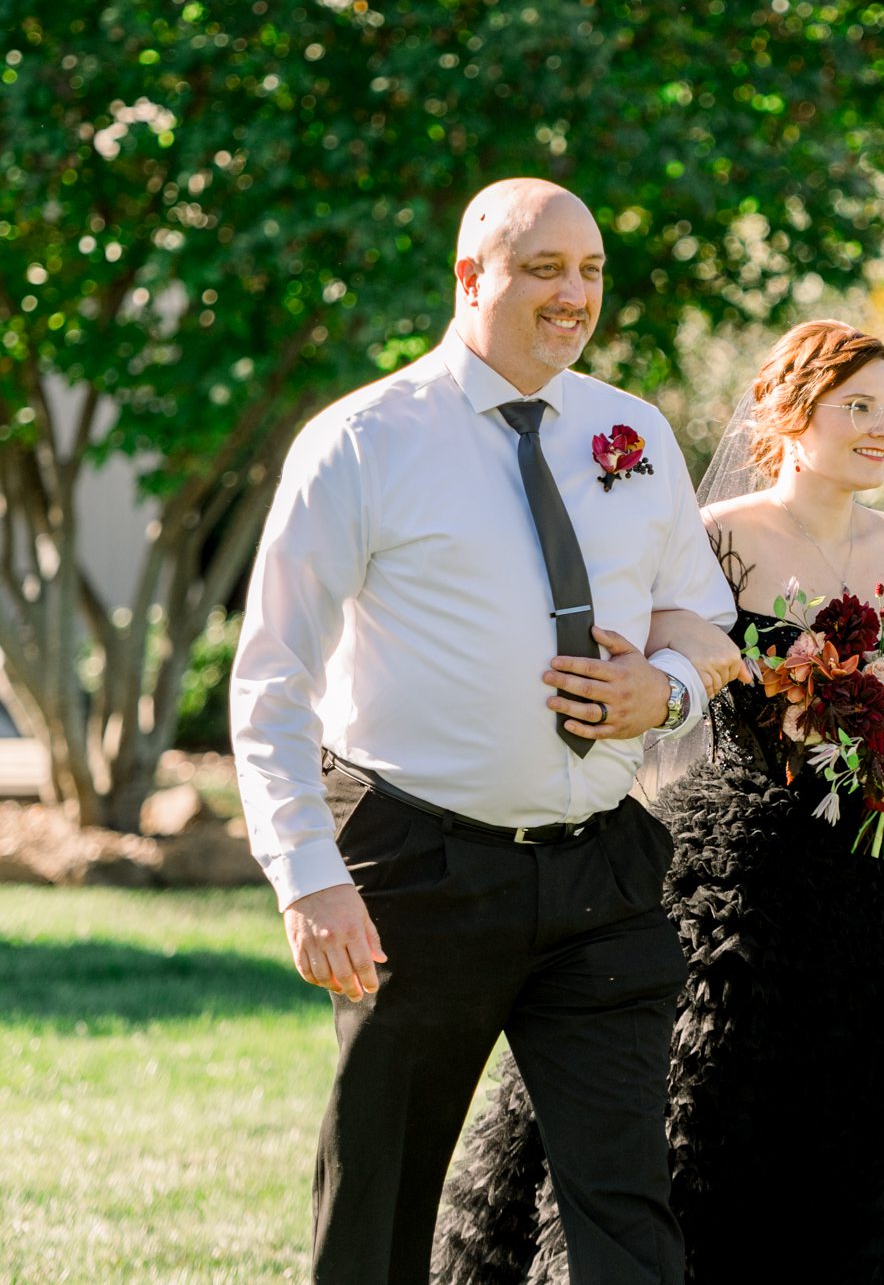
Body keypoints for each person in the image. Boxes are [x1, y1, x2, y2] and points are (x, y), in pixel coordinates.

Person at [437, 319, 884, 1285]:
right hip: (748, 883)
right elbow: (660, 664)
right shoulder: (712, 544)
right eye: (855, 405)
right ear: (788, 413)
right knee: (706, 1121)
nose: (881, 428)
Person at [230, 177, 746, 1285]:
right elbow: (271, 676)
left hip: (602, 875)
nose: (573, 296)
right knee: (382, 1196)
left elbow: (704, 619)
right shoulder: (362, 442)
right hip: (418, 869)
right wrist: (306, 876)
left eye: (591, 271)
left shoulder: (631, 431)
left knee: (625, 1204)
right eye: (542, 269)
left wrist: (663, 690)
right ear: (471, 279)